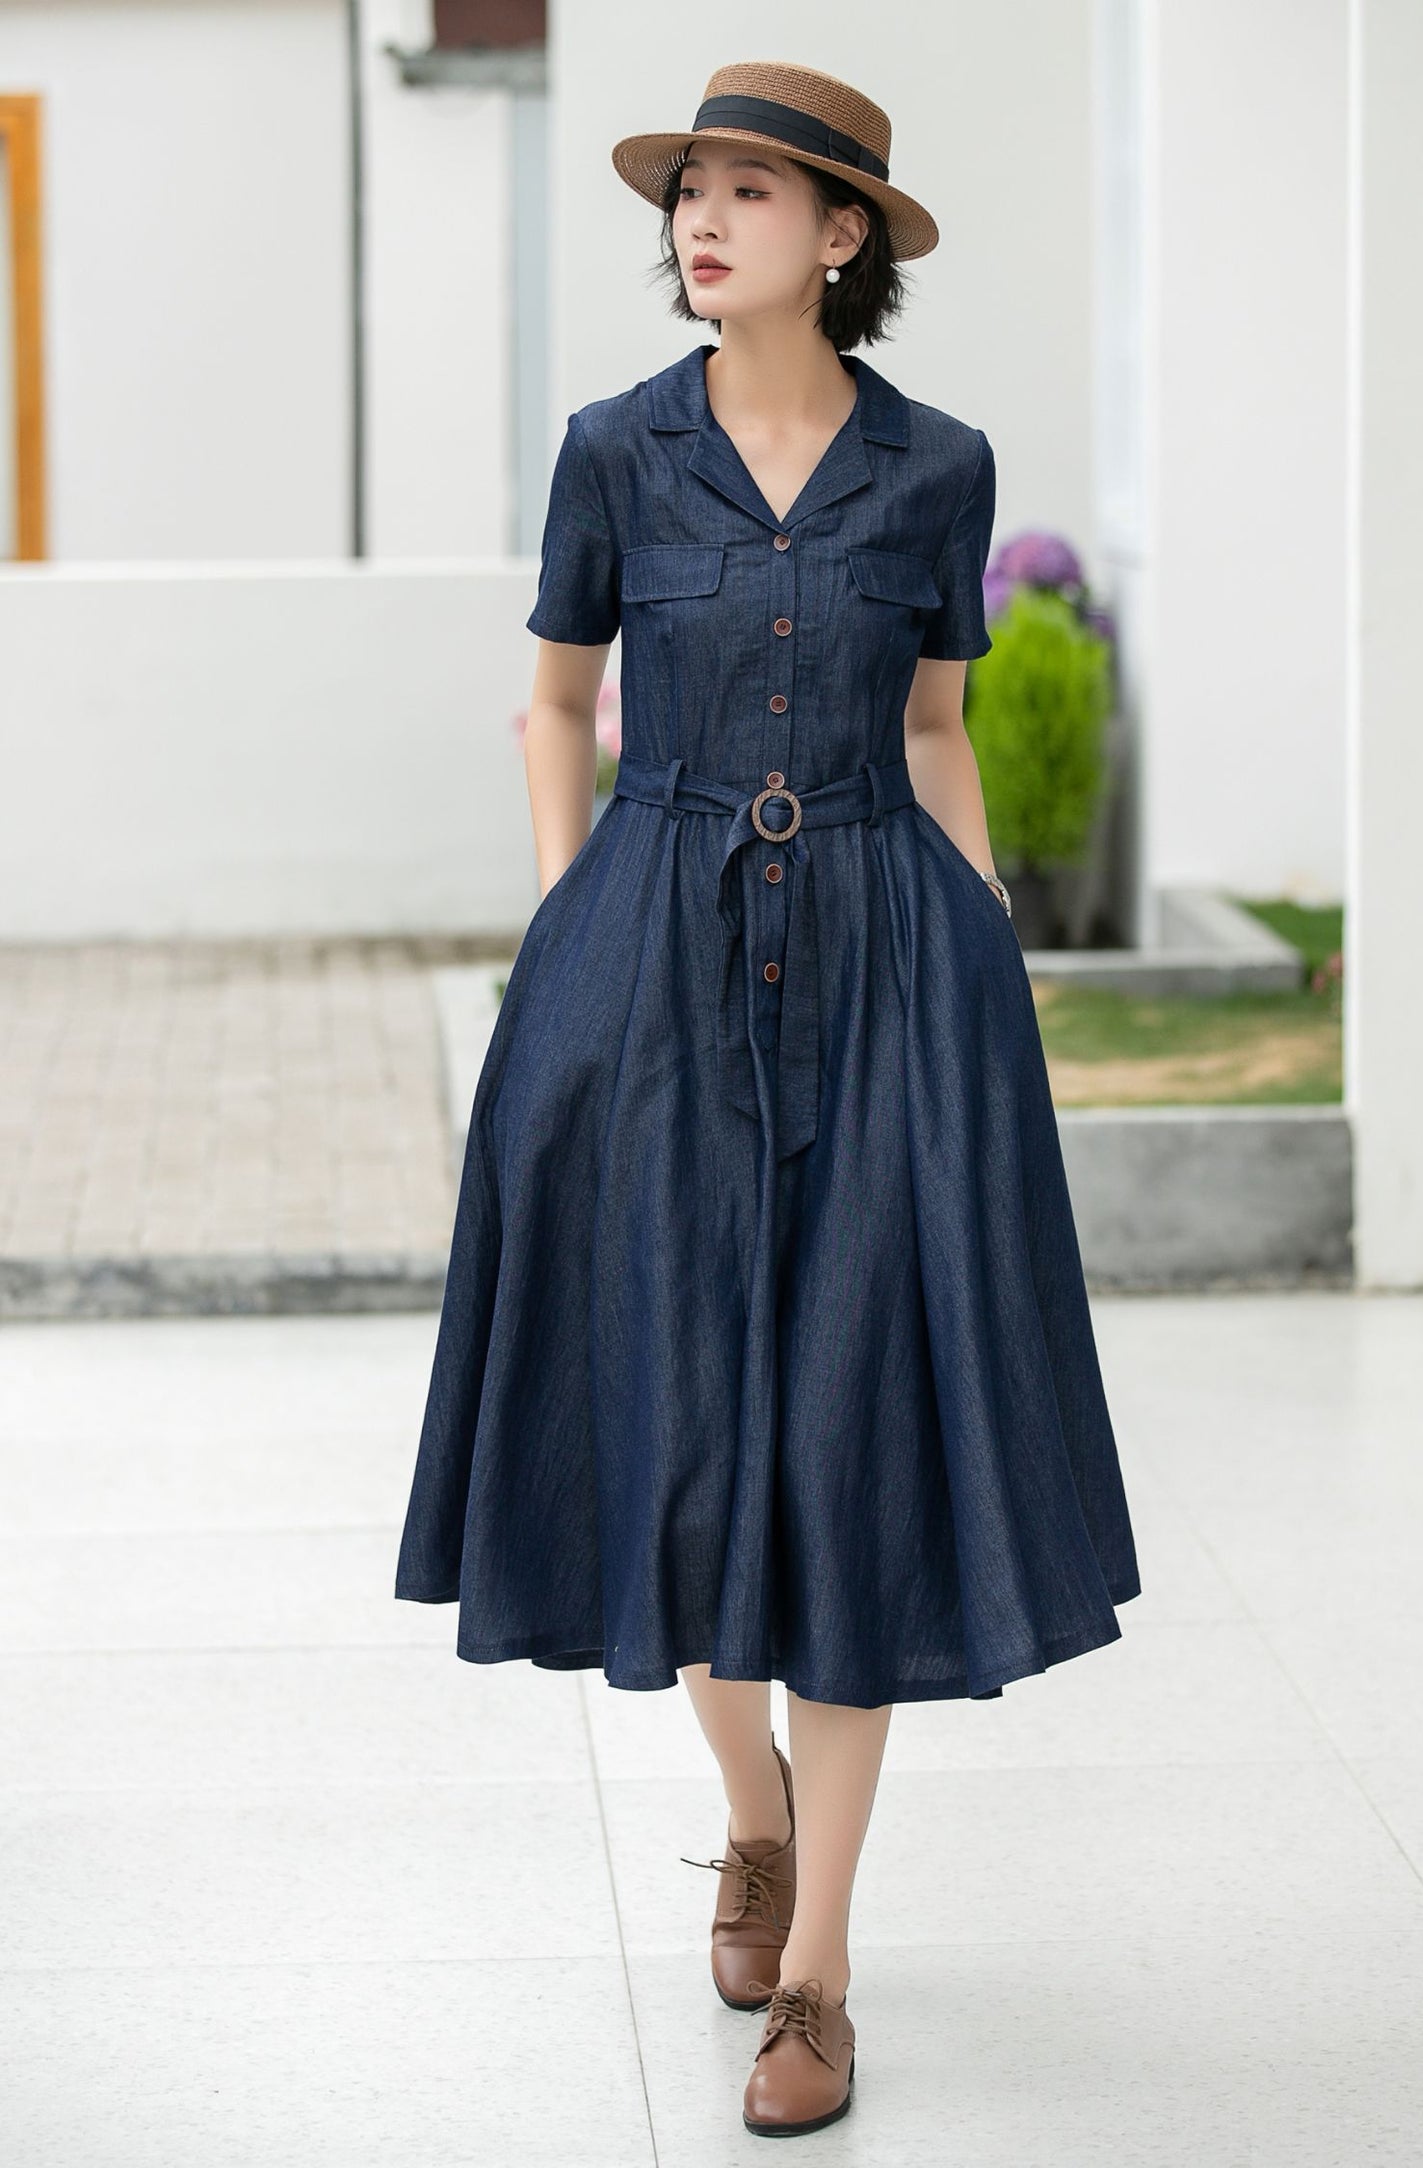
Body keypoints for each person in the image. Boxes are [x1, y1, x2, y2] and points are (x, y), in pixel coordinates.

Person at [395, 59, 1141, 2140]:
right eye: (690, 192)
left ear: (842, 235)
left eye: (750, 192)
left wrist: (987, 948)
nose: (703, 222)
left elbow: (935, 729)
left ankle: (818, 1968)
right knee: (678, 1430)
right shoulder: (614, 451)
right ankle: (752, 1806)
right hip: (649, 957)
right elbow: (557, 702)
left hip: (893, 978)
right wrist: (572, 928)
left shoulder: (938, 467)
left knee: (851, 1439)